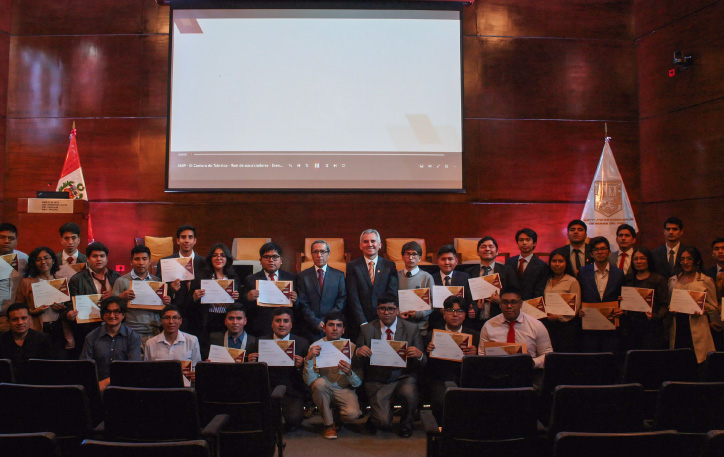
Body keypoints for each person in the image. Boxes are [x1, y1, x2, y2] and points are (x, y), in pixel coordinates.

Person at [354, 292, 425, 438]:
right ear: (377, 310)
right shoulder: (367, 329)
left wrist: (419, 355)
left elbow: (424, 362)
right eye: (382, 308)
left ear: (397, 310)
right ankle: (376, 418)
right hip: (378, 380)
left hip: (402, 377)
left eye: (391, 309)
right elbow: (356, 362)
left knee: (409, 393)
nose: (387, 312)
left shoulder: (411, 329)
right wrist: (358, 352)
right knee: (383, 423)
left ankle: (406, 424)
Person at [248, 307, 309, 432]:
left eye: (285, 321)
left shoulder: (302, 343)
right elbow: (253, 374)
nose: (282, 324)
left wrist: (301, 366)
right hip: (268, 388)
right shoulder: (260, 342)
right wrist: (251, 364)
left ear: (291, 324)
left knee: (294, 420)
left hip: (292, 390)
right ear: (272, 324)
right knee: (265, 422)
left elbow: (308, 375)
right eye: (278, 320)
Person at [303, 310, 362, 439]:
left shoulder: (351, 347)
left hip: (344, 390)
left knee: (352, 414)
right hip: (324, 389)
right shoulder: (315, 346)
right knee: (319, 384)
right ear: (324, 328)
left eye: (339, 325)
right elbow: (310, 381)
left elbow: (357, 383)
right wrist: (308, 358)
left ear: (343, 330)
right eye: (331, 325)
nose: (335, 329)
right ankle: (328, 425)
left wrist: (349, 372)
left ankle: (336, 416)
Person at [424, 296, 478, 423]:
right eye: (450, 310)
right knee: (441, 399)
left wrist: (475, 356)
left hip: (466, 379)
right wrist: (428, 352)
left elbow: (481, 367)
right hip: (440, 379)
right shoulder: (432, 335)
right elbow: (425, 366)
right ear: (444, 314)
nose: (455, 315)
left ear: (464, 315)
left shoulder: (475, 336)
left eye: (459, 311)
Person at [15, 246, 74, 355]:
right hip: (37, 328)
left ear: (52, 260)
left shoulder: (61, 281)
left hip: (60, 327)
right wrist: (33, 311)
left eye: (46, 258)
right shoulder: (26, 282)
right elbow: (19, 307)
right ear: (33, 263)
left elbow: (71, 304)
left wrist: (63, 309)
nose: (43, 262)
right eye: (38, 259)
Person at [111, 245, 170, 354]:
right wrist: (121, 297)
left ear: (149, 261)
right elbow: (112, 307)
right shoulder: (121, 281)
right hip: (130, 331)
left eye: (144, 259)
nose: (141, 262)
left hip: (154, 331)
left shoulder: (157, 281)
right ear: (131, 262)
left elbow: (163, 309)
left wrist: (166, 302)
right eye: (137, 259)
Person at [667, 247, 721, 363]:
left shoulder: (705, 280)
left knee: (698, 362)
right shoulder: (673, 281)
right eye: (682, 259)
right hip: (678, 326)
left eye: (689, 259)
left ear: (696, 261)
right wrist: (672, 309)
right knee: (679, 361)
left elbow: (714, 307)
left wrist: (699, 305)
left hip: (698, 327)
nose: (685, 262)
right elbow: (669, 303)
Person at [67, 242, 121, 355]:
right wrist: (69, 313)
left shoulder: (116, 277)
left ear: (107, 259)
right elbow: (69, 304)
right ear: (88, 258)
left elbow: (123, 303)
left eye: (102, 256)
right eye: (94, 256)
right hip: (87, 329)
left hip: (113, 327)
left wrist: (114, 297)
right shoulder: (77, 279)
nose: (98, 259)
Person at [478, 287, 552, 369]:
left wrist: (532, 363)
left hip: (527, 373)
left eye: (513, 302)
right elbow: (482, 354)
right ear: (500, 304)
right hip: (497, 373)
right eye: (505, 302)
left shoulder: (536, 325)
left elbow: (548, 355)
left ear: (520, 304)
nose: (509, 306)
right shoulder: (488, 326)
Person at [80, 296, 141, 391]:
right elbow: (85, 368)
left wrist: (107, 382)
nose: (112, 316)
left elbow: (133, 369)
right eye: (108, 312)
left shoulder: (133, 337)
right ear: (103, 315)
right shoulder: (91, 337)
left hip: (125, 388)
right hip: (97, 388)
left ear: (123, 315)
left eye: (116, 312)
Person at [346, 229, 398, 337]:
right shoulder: (352, 266)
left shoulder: (389, 266)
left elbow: (391, 294)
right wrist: (363, 322)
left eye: (373, 241)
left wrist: (384, 318)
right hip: (360, 323)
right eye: (366, 242)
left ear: (380, 245)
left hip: (384, 321)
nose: (370, 244)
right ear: (360, 246)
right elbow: (353, 297)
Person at [577, 236, 625, 353]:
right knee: (591, 359)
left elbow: (623, 296)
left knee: (610, 359)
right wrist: (577, 309)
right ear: (592, 254)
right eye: (596, 249)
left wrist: (622, 309)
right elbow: (578, 295)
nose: (600, 252)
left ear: (609, 252)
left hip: (611, 326)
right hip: (590, 326)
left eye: (603, 249)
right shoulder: (582, 272)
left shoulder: (619, 273)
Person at [156, 225, 205, 336]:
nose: (186, 240)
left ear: (195, 241)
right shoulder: (165, 262)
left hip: (198, 317)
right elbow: (158, 290)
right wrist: (171, 290)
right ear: (178, 240)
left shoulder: (204, 263)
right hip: (174, 318)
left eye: (190, 237)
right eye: (183, 237)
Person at [191, 243, 240, 352]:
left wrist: (237, 298)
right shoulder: (200, 278)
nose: (219, 258)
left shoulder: (233, 278)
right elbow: (189, 306)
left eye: (222, 255)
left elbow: (240, 305)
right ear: (210, 258)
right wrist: (194, 298)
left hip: (227, 321)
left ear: (227, 259)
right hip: (207, 322)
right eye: (215, 255)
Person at [243, 242, 297, 337]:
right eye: (266, 257)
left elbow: (299, 307)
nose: (271, 260)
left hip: (284, 328)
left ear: (281, 260)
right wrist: (248, 297)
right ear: (260, 260)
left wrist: (296, 299)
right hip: (260, 328)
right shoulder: (251, 279)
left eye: (275, 257)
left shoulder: (292, 278)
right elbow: (244, 306)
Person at [296, 240, 346, 341]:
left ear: (329, 254)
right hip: (310, 327)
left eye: (323, 252)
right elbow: (302, 302)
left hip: (332, 327)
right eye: (316, 252)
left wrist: (327, 321)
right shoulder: (303, 276)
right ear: (311, 254)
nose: (319, 255)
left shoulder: (339, 275)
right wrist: (315, 321)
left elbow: (341, 299)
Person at [466, 236, 520, 330]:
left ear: (497, 251)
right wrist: (474, 306)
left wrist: (501, 300)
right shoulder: (468, 272)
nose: (487, 249)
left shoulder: (507, 270)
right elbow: (465, 296)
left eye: (491, 246)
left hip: (500, 319)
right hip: (475, 321)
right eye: (483, 246)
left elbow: (516, 293)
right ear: (478, 252)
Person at [621, 248, 668, 350]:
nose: (639, 261)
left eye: (642, 258)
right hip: (631, 328)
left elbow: (665, 304)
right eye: (635, 259)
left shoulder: (658, 279)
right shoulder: (629, 279)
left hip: (652, 328)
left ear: (649, 260)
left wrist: (655, 316)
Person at [144, 305, 201, 384]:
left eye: (175, 318)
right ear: (161, 321)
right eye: (167, 318)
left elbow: (197, 367)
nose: (171, 321)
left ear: (180, 321)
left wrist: (196, 374)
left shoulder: (192, 340)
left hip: (184, 388)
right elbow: (147, 370)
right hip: (158, 387)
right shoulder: (150, 343)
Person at [0, 303, 52, 381]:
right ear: (8, 322)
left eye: (24, 318)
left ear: (30, 319)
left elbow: (51, 369)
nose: (20, 322)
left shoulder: (44, 339)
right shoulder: (1, 340)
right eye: (15, 319)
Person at [543, 251, 582, 352]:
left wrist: (558, 317)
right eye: (554, 261)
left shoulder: (572, 281)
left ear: (566, 263)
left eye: (560, 261)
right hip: (547, 325)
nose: (557, 264)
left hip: (566, 327)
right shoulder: (545, 280)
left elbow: (575, 308)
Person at [429, 245, 472, 330]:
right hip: (437, 323)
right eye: (443, 259)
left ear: (456, 261)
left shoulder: (465, 277)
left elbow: (470, 299)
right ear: (438, 261)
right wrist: (439, 311)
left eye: (450, 259)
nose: (447, 262)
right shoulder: (431, 278)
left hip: (460, 324)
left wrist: (473, 309)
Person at [397, 241, 434, 336]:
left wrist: (418, 314)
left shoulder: (427, 277)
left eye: (414, 254)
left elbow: (433, 303)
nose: (410, 257)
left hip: (420, 328)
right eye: (407, 254)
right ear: (402, 257)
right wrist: (397, 312)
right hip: (399, 326)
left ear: (420, 258)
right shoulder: (395, 276)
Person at [0, 223, 27, 334]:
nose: (7, 241)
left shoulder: (23, 259)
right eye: (2, 237)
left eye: (11, 238)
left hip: (11, 316)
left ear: (17, 240)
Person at [506, 228, 547, 300]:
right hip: (511, 304)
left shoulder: (542, 265)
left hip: (531, 305)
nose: (524, 243)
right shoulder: (509, 261)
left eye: (528, 240)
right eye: (521, 240)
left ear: (534, 243)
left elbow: (539, 291)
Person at [705, 238, 724, 350]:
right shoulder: (707, 274)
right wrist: (709, 321)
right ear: (712, 254)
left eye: (723, 248)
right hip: (713, 325)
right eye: (716, 249)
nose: (720, 251)